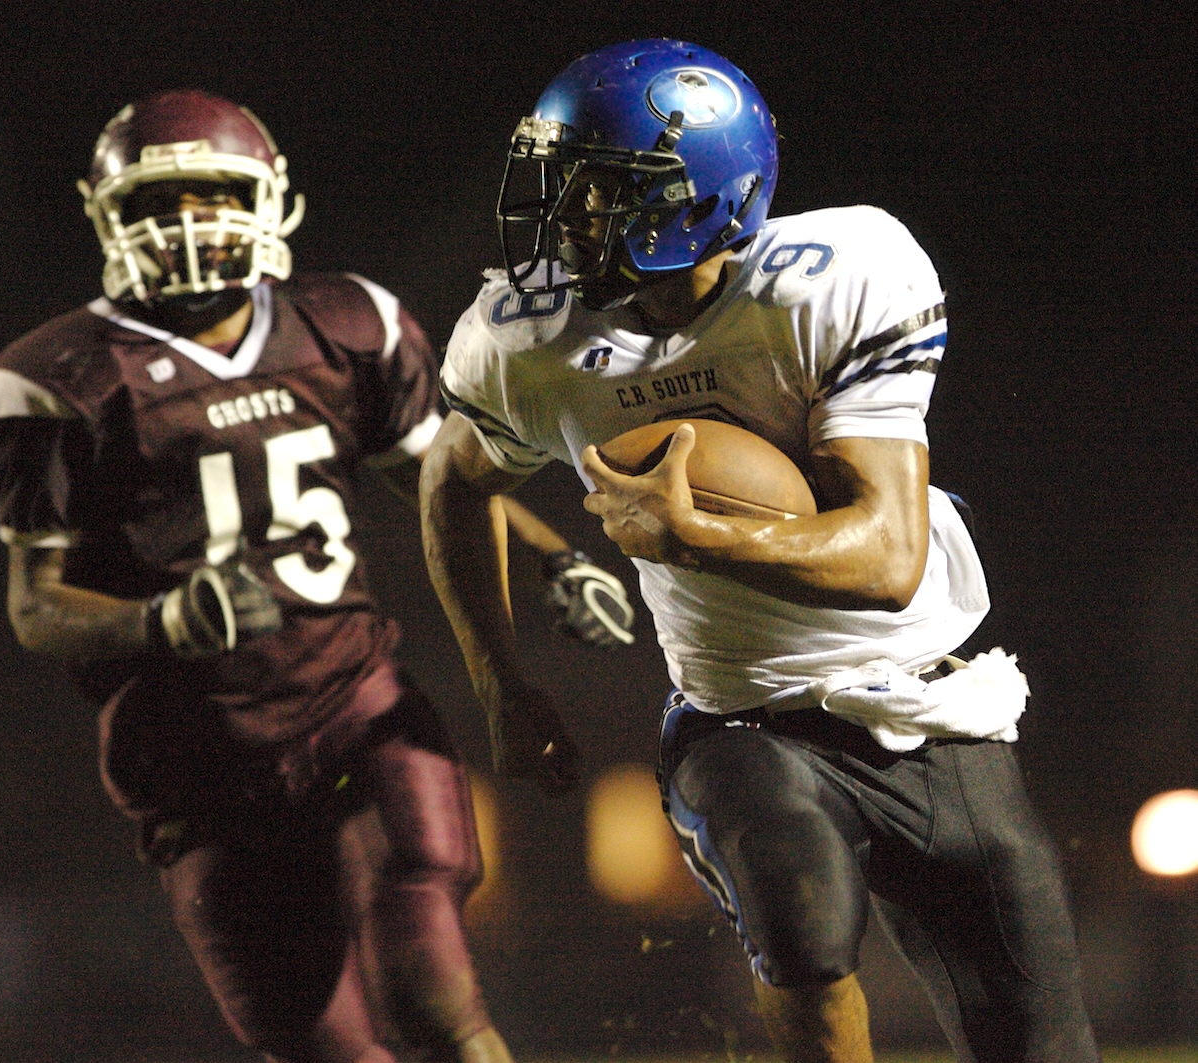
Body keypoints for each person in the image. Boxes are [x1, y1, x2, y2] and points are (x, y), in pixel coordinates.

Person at [419, 39, 1099, 1063]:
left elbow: (887, 557)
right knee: (805, 935)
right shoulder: (529, 342)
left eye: (604, 194)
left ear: (705, 200)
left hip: (921, 694)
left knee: (1042, 1042)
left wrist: (693, 535)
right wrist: (496, 680)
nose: (567, 220)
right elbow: (450, 481)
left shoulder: (838, 279)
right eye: (561, 187)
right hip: (736, 714)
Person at [0, 88, 634, 1063]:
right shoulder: (52, 377)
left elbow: (437, 481)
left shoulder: (346, 322)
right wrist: (161, 623)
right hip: (196, 757)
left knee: (433, 961)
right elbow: (35, 606)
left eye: (211, 194)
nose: (190, 222)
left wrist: (551, 559)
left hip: (351, 694)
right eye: (160, 202)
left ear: (272, 197)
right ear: (108, 216)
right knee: (328, 1049)